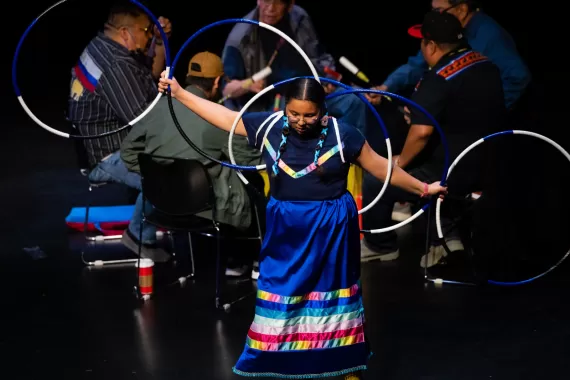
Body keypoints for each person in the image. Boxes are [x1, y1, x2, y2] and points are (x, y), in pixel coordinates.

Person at [158, 72, 446, 378]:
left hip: (331, 227)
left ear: (323, 110)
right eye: (293, 113)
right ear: (285, 108)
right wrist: (179, 93)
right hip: (286, 228)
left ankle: (341, 363)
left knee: (333, 295)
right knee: (281, 290)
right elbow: (228, 118)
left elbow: (381, 167)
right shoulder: (269, 126)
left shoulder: (342, 133)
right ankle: (273, 362)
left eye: (309, 115)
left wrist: (423, 189)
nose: (300, 121)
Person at [361, 11, 506, 267]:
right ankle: (445, 239)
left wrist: (399, 164)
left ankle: (379, 246)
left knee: (376, 176)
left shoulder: (439, 77)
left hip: (449, 172)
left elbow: (422, 133)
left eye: (422, 42)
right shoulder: (487, 66)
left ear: (430, 45)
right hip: (490, 166)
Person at [120, 52, 263, 262]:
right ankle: (243, 260)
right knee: (254, 183)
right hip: (202, 209)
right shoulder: (219, 119)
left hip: (160, 203)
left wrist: (156, 176)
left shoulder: (157, 107)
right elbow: (249, 161)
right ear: (216, 82)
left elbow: (128, 152)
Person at [67, 2, 171, 261]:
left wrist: (160, 42)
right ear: (126, 32)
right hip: (106, 154)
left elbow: (151, 76)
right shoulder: (115, 65)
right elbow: (144, 119)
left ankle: (152, 214)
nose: (149, 35)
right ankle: (138, 235)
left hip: (104, 143)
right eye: (146, 30)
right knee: (168, 174)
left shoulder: (102, 45)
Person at [221, 0, 368, 132]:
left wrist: (327, 78)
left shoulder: (299, 18)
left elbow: (318, 57)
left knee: (354, 100)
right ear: (258, 0)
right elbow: (226, 90)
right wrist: (247, 85)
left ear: (290, 4)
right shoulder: (240, 36)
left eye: (278, 3)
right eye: (266, 1)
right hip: (274, 103)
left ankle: (348, 155)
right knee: (282, 126)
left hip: (310, 91)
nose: (270, 9)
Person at [365, 0, 530, 112]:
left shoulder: (490, 35)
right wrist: (386, 88)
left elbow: (519, 77)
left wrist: (487, 112)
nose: (435, 16)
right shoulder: (446, 31)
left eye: (439, 11)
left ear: (462, 9)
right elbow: (417, 65)